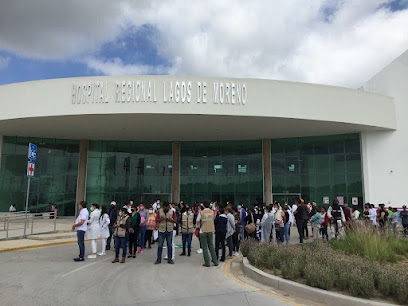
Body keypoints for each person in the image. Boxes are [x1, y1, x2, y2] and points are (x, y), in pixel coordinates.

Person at [197, 200, 218, 267]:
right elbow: (213, 219)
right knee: (211, 246)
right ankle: (215, 261)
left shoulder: (201, 212)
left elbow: (197, 220)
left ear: (203, 205)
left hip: (203, 230)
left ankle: (207, 263)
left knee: (205, 247)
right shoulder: (212, 212)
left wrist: (197, 227)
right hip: (211, 230)